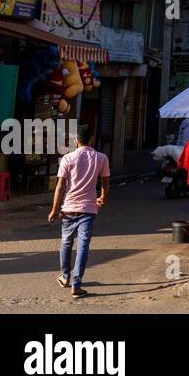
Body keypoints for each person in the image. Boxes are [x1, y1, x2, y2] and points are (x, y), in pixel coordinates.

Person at [47, 123, 110, 299]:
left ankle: (65, 276)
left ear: (76, 141)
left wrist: (54, 210)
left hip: (68, 208)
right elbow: (105, 184)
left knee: (66, 243)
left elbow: (60, 186)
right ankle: (77, 284)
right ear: (91, 139)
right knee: (83, 246)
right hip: (89, 210)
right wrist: (103, 199)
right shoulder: (101, 158)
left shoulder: (67, 159)